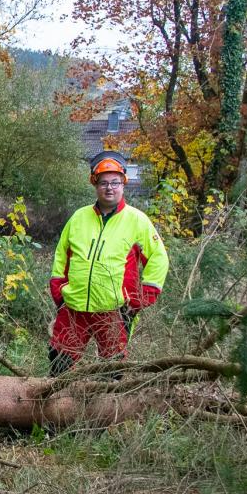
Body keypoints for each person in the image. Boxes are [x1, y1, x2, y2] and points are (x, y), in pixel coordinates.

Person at [47, 151, 169, 375]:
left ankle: (104, 408)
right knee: (58, 363)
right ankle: (56, 407)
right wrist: (59, 289)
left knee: (112, 371)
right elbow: (61, 256)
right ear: (95, 185)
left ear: (123, 184)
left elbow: (158, 257)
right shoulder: (78, 218)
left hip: (114, 310)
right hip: (74, 307)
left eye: (115, 182)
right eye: (104, 183)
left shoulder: (137, 221)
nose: (109, 188)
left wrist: (144, 295)